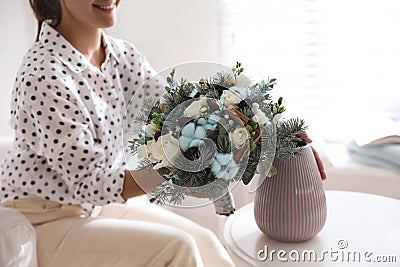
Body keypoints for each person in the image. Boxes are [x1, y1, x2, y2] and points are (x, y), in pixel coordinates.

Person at [0, 0, 236, 266]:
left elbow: (172, 113)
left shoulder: (122, 56)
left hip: (97, 207)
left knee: (206, 243)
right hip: (44, 219)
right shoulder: (45, 74)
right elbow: (88, 182)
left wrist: (223, 118)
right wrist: (173, 174)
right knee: (178, 249)